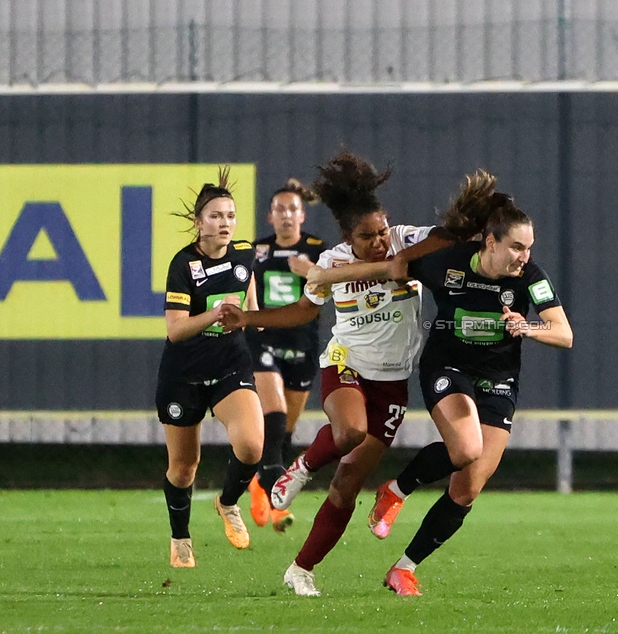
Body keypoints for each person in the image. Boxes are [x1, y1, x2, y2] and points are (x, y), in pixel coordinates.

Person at [301, 171, 573, 597]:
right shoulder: (447, 262)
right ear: (490, 242)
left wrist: (530, 327)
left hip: (500, 380)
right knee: (466, 449)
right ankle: (398, 489)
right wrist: (318, 274)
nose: (524, 256)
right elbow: (392, 268)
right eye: (516, 247)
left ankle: (403, 568)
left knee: (468, 488)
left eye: (529, 248)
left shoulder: (529, 277)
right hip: (448, 367)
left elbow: (564, 334)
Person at [219, 149, 455, 596]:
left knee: (348, 482)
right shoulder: (331, 263)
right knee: (348, 433)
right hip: (346, 366)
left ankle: (301, 568)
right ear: (348, 236)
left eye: (383, 230)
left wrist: (421, 246)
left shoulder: (403, 240)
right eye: (368, 236)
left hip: (393, 383)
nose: (381, 240)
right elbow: (305, 311)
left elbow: (447, 236)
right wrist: (248, 319)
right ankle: (301, 467)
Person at [156, 167, 264, 568]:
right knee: (184, 469)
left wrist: (253, 317)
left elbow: (250, 300)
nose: (225, 223)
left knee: (252, 445)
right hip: (183, 374)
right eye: (216, 216)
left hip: (230, 365)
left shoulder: (244, 253)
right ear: (198, 223)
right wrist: (217, 313)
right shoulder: (184, 265)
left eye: (231, 216)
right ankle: (180, 537)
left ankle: (228, 502)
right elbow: (175, 331)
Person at [245, 179, 327, 534]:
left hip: (303, 345)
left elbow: (340, 284)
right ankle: (274, 491)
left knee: (284, 432)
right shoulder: (256, 251)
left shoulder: (318, 249)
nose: (286, 216)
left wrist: (311, 272)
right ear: (270, 216)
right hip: (263, 341)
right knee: (273, 413)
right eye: (279, 209)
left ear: (302, 215)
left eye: (292, 209)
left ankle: (259, 485)